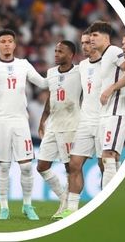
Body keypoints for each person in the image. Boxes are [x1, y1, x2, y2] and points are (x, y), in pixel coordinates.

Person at [60, 22, 124, 218]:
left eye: (88, 41)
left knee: (104, 164)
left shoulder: (111, 59)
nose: (85, 46)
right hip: (85, 121)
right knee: (74, 163)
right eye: (83, 43)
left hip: (104, 119)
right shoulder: (82, 67)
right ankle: (71, 209)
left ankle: (109, 201)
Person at [0, 28, 48, 220]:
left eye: (9, 41)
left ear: (15, 44)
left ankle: (27, 205)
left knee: (26, 167)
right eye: (2, 41)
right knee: (3, 167)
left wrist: (65, 73)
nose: (6, 44)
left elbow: (43, 84)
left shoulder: (24, 65)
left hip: (20, 121)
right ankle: (4, 207)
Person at [36, 40, 81, 217]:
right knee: (41, 166)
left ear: (71, 55)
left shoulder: (79, 72)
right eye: (55, 51)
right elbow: (51, 95)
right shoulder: (51, 73)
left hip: (71, 125)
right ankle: (63, 197)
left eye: (60, 51)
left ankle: (69, 207)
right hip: (53, 124)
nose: (56, 54)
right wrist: (43, 118)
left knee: (70, 168)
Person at [99, 33, 125, 188]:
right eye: (123, 43)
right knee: (113, 159)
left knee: (109, 157)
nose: (123, 47)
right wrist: (111, 88)